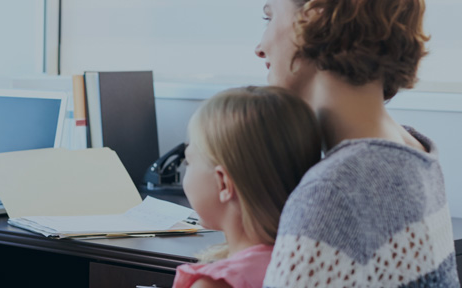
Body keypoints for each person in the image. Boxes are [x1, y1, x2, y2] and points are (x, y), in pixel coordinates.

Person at [254, 0, 460, 286]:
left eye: (269, 17)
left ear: (314, 18)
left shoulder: (332, 191)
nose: (259, 48)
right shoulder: (415, 151)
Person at [172, 86, 322, 288]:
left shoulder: (215, 284)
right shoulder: (311, 263)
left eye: (187, 162)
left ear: (223, 182)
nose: (185, 169)